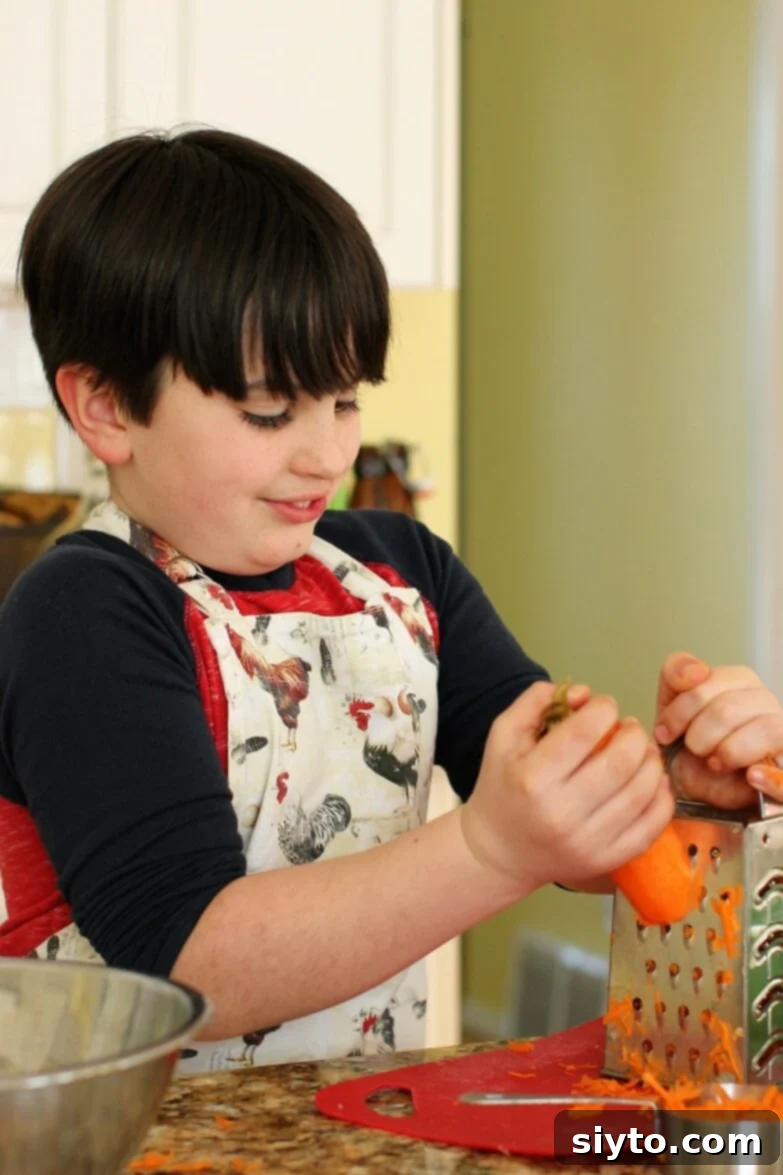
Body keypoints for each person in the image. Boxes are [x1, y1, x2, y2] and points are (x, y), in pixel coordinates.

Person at [1, 128, 781, 1073]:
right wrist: (489, 848)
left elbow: (558, 836)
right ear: (105, 407)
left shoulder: (404, 572)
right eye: (267, 411)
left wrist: (662, 794)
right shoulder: (84, 610)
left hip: (355, 1123)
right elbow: (183, 965)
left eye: (343, 400)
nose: (327, 454)